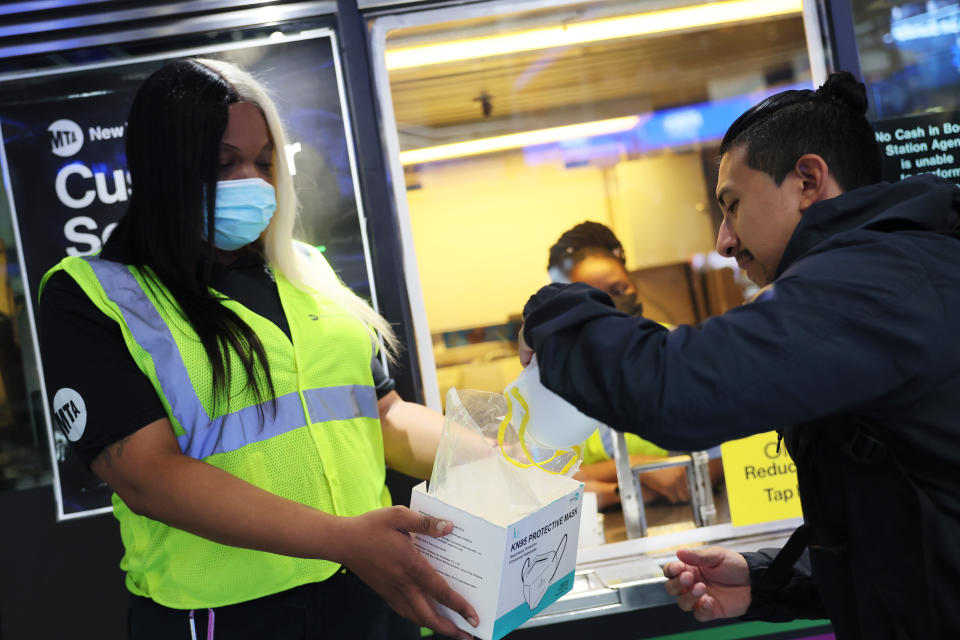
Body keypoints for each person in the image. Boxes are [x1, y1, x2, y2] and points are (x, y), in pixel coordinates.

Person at [37, 58, 477, 640]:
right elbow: (148, 477)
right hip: (228, 616)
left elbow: (384, 414)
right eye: (224, 163)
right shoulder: (97, 294)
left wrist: (494, 458)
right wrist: (342, 538)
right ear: (161, 168)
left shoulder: (307, 270)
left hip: (369, 592)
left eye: (265, 161)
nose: (253, 180)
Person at [518, 71, 960, 637]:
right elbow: (910, 526)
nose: (724, 241)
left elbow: (676, 392)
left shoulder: (874, 281)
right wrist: (776, 578)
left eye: (733, 206)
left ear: (807, 180)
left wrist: (551, 312)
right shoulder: (897, 270)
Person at [548, 222, 694, 507]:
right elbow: (548, 483)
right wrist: (631, 467)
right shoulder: (550, 376)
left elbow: (697, 471)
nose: (605, 304)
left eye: (616, 288)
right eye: (587, 294)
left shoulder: (678, 349)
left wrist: (597, 481)